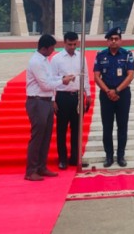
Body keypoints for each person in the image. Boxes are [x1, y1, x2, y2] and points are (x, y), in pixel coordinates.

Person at [25, 34, 76, 181]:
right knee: (37, 137)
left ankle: (41, 166)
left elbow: (50, 79)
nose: (53, 50)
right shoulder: (36, 62)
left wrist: (62, 79)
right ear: (45, 48)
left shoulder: (45, 61)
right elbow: (45, 85)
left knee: (46, 136)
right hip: (37, 101)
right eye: (52, 48)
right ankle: (31, 170)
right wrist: (62, 81)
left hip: (46, 101)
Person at [94, 26, 134, 167]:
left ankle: (121, 156)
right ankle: (109, 156)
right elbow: (96, 76)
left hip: (123, 95)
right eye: (111, 39)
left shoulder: (127, 54)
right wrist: (108, 91)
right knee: (107, 127)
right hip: (106, 95)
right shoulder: (100, 55)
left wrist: (116, 91)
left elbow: (130, 75)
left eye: (116, 39)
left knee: (122, 126)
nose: (113, 41)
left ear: (120, 40)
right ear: (107, 41)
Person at [51, 31, 91, 170]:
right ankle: (62, 159)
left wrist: (88, 94)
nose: (72, 47)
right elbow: (51, 80)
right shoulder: (56, 59)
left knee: (77, 130)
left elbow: (85, 76)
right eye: (70, 44)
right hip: (62, 97)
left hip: (77, 97)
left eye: (75, 44)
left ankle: (75, 158)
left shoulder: (81, 56)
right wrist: (52, 99)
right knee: (61, 130)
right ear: (64, 42)